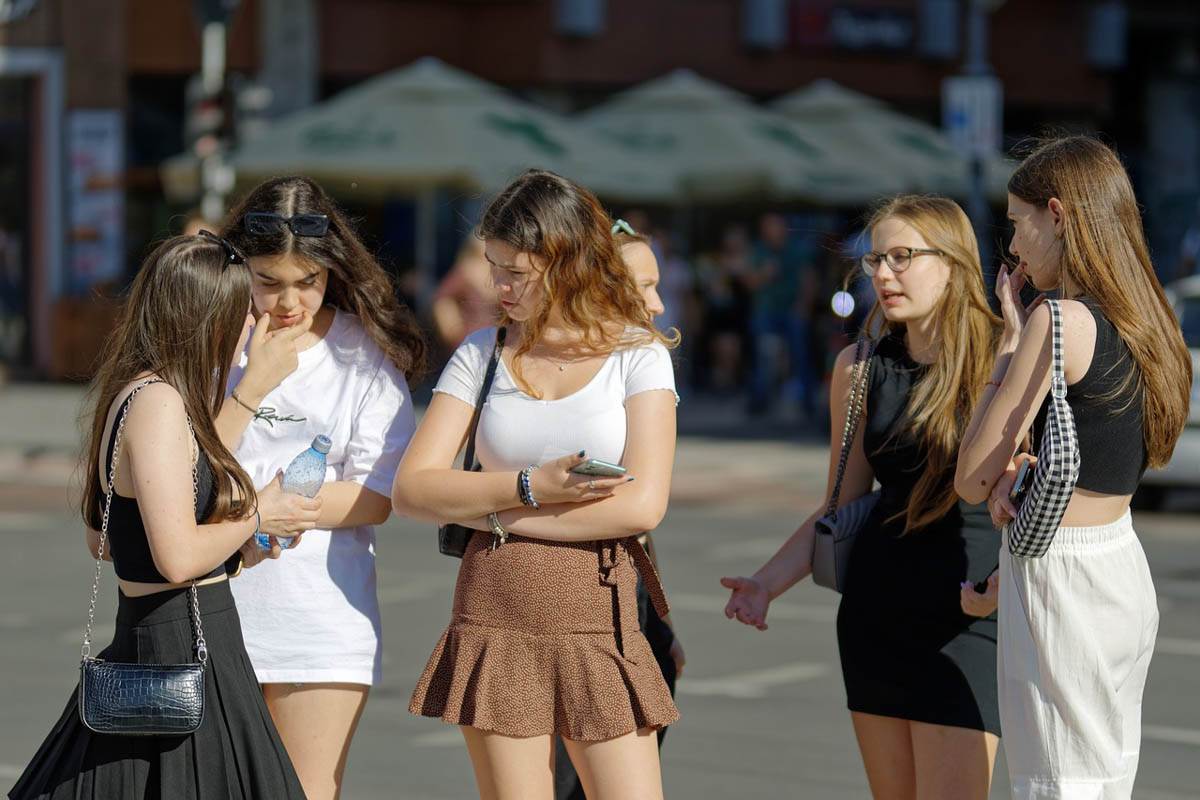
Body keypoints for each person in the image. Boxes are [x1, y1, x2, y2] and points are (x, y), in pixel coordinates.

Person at [394, 169, 679, 800]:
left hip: (598, 609)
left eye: (514, 272)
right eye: (493, 265)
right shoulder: (481, 352)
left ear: (569, 262)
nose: (497, 286)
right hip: (495, 609)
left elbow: (642, 505)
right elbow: (413, 489)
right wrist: (530, 486)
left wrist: (491, 515)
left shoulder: (637, 355)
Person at [9, 232, 310, 799]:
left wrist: (229, 541)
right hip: (182, 644)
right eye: (243, 311)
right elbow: (174, 559)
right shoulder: (159, 402)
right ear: (208, 318)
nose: (251, 325)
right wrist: (257, 515)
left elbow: (107, 540)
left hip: (166, 638)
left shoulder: (139, 393)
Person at [723, 196, 1005, 799]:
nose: (882, 274)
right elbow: (839, 504)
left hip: (970, 615)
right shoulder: (858, 367)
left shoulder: (1002, 361)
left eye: (902, 257)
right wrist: (766, 583)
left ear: (953, 262)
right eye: (875, 258)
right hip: (876, 614)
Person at [955, 135, 1192, 798]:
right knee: (1102, 777)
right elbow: (1106, 458)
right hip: (1118, 564)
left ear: (1057, 214)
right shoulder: (1151, 318)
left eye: (1016, 224)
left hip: (1062, 578)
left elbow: (971, 477)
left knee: (1056, 782)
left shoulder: (1055, 320)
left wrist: (1006, 345)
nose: (1012, 249)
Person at [216, 176, 426, 800]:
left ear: (332, 270)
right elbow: (184, 468)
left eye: (307, 281)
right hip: (212, 605)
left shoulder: (362, 354)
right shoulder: (208, 343)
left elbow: (376, 494)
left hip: (320, 617)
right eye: (267, 282)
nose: (289, 303)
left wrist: (263, 508)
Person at [552, 220, 686, 800]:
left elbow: (636, 510)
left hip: (625, 603)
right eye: (642, 286)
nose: (657, 304)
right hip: (549, 608)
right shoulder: (535, 368)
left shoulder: (641, 363)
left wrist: (661, 621)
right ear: (595, 283)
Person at [432, 233, 499, 350]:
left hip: (495, 342)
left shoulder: (502, 273)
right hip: (472, 341)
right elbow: (442, 299)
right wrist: (453, 332)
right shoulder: (467, 270)